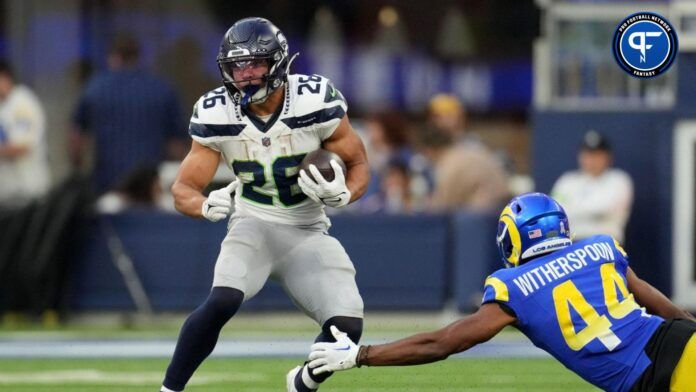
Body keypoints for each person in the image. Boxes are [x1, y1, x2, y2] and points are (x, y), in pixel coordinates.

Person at [160, 17, 370, 392]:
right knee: (222, 300)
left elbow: (358, 164)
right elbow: (183, 188)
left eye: (255, 64)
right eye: (237, 66)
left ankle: (303, 382)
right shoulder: (215, 110)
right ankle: (169, 390)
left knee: (347, 328)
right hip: (252, 223)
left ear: (278, 63)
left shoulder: (314, 99)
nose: (245, 75)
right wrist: (205, 204)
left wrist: (344, 194)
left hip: (307, 229)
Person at [308, 193, 696, 392]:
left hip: (660, 376)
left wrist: (362, 356)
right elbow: (666, 309)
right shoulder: (601, 248)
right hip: (679, 347)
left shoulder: (513, 286)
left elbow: (443, 343)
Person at [71, 33, 186, 194]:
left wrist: (78, 172)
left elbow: (76, 140)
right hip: (149, 186)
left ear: (112, 57)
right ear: (138, 57)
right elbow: (176, 146)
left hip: (106, 182)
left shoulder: (95, 88)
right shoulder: (162, 89)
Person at [552, 130, 633, 243]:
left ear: (608, 157)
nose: (592, 160)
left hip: (605, 245)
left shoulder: (619, 180)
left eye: (597, 155)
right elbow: (556, 213)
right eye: (588, 155)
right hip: (570, 246)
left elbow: (603, 207)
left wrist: (573, 209)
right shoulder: (567, 181)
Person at [0, 60, 50, 210]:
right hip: (7, 195)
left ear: (5, 77)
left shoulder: (22, 102)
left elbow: (20, 147)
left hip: (28, 194)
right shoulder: (3, 105)